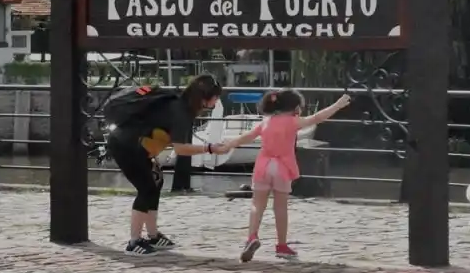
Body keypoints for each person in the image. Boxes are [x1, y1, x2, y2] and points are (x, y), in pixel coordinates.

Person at [219, 89, 351, 261]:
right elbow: (317, 118)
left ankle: (252, 237)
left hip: (263, 166)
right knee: (280, 207)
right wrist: (337, 105)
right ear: (294, 107)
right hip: (282, 167)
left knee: (257, 204)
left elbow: (247, 137)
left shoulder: (266, 121)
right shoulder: (292, 122)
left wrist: (229, 144)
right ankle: (281, 245)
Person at [102, 74, 224, 256]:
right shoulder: (181, 112)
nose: (217, 100)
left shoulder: (180, 105)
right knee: (146, 188)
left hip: (136, 145)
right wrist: (210, 148)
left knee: (156, 183)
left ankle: (153, 236)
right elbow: (181, 149)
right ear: (204, 98)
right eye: (215, 97)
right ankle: (134, 242)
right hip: (126, 146)